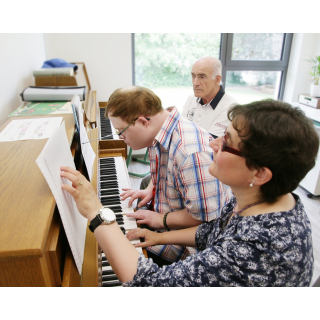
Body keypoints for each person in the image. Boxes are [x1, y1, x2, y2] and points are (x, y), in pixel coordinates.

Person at [61, 99, 318, 286]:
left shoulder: (257, 247)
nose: (212, 143)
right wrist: (156, 237)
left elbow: (147, 285)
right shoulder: (263, 200)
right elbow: (210, 232)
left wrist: (97, 212)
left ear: (260, 174)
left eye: (226, 143)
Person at [98, 86, 231, 265]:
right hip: (167, 214)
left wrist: (161, 220)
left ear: (143, 121)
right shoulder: (162, 126)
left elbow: (205, 218)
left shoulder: (191, 154)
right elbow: (165, 166)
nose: (121, 138)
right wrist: (150, 189)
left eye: (121, 131)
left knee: (119, 250)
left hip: (187, 247)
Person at [182, 56, 237, 139]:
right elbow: (180, 132)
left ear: (217, 79)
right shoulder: (191, 99)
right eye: (193, 76)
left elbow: (210, 146)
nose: (195, 83)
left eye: (202, 77)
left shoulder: (229, 107)